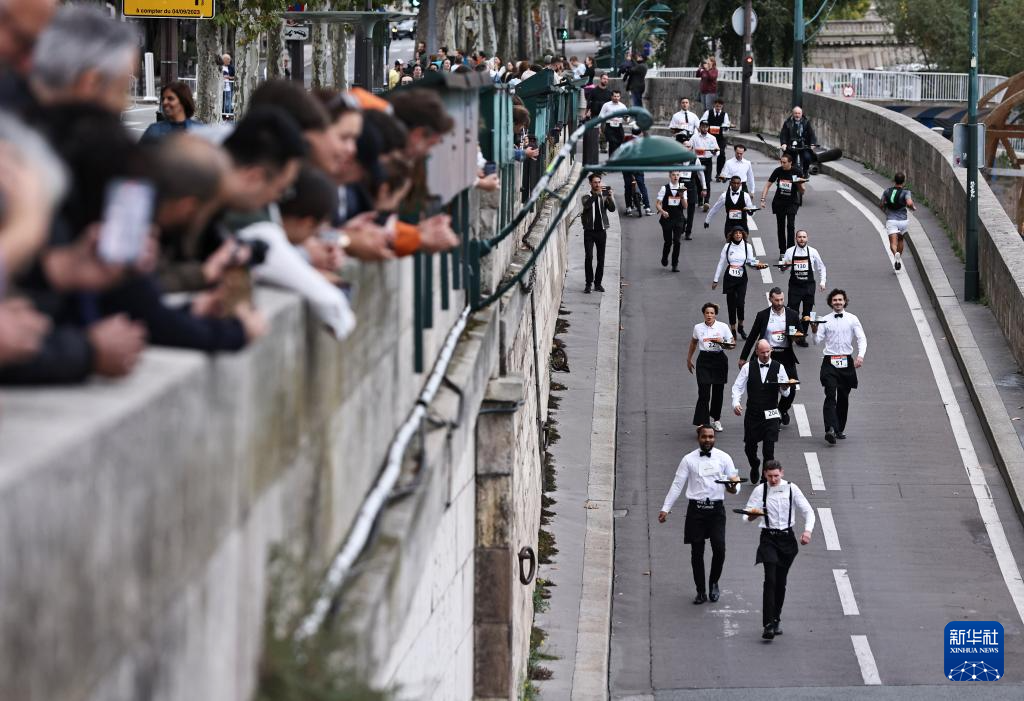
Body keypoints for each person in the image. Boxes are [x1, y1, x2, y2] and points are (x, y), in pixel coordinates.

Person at [658, 424, 741, 604]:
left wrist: (733, 487)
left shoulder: (724, 458)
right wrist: (666, 508)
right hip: (696, 510)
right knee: (697, 552)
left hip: (716, 510)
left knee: (719, 549)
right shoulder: (688, 460)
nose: (708, 440)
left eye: (711, 437)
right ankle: (700, 590)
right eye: (704, 437)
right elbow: (677, 484)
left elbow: (735, 483)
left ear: (714, 438)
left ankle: (713, 583)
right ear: (698, 438)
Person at [742, 461, 815, 640]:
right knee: (770, 580)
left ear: (782, 473)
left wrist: (807, 531)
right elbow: (746, 516)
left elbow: (808, 511)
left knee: (781, 582)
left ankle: (776, 619)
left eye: (776, 475)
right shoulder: (760, 490)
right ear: (765, 475)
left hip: (787, 539)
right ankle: (767, 624)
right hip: (768, 538)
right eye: (769, 476)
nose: (773, 479)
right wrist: (752, 515)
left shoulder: (792, 489)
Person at [809, 288, 866, 444]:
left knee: (843, 397)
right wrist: (814, 330)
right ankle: (830, 429)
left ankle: (839, 428)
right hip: (830, 361)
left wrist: (860, 356)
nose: (837, 302)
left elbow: (862, 338)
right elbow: (816, 341)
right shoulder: (824, 319)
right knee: (830, 394)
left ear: (845, 301)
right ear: (830, 302)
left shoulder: (853, 319)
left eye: (840, 300)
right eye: (835, 300)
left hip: (846, 361)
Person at [738, 288, 802, 426]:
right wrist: (743, 357)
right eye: (776, 300)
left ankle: (782, 410)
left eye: (781, 300)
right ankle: (772, 416)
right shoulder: (763, 315)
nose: (779, 302)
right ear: (770, 299)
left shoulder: (792, 314)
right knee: (766, 387)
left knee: (791, 386)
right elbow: (752, 337)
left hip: (785, 354)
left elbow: (800, 334)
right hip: (767, 355)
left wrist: (796, 338)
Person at [732, 339, 791, 484]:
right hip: (753, 413)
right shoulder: (748, 367)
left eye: (768, 351)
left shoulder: (779, 367)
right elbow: (738, 386)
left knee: (769, 449)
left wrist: (784, 387)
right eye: (762, 352)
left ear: (771, 350)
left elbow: (786, 393)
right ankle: (755, 464)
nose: (765, 354)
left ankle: (765, 479)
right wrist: (736, 403)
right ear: (757, 352)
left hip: (771, 414)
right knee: (749, 447)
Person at [687, 302, 734, 431]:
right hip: (704, 361)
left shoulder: (723, 327)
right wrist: (689, 358)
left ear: (715, 315)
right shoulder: (698, 328)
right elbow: (693, 342)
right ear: (703, 314)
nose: (709, 315)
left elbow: (732, 345)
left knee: (718, 393)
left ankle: (716, 419)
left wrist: (722, 343)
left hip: (719, 360)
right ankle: (703, 422)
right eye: (707, 313)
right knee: (704, 393)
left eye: (712, 313)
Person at [712, 225, 762, 340]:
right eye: (736, 233)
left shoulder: (747, 246)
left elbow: (750, 262)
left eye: (740, 233)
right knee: (731, 304)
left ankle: (741, 326)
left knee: (740, 303)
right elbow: (721, 263)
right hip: (729, 277)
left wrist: (757, 267)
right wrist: (715, 279)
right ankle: (733, 329)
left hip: (741, 277)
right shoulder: (727, 246)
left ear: (743, 234)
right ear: (732, 235)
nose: (738, 235)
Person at [779, 229, 826, 346]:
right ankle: (792, 335)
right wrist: (785, 266)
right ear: (796, 238)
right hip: (795, 286)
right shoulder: (789, 251)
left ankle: (802, 337)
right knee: (792, 312)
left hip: (809, 286)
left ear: (807, 238)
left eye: (804, 237)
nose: (802, 239)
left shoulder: (813, 252)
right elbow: (781, 269)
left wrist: (822, 282)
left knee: (807, 313)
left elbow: (821, 267)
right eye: (799, 237)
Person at [760, 152, 805, 262]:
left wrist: (798, 183)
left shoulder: (797, 172)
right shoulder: (778, 171)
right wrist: (763, 199)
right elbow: (768, 185)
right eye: (781, 162)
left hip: (792, 202)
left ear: (790, 162)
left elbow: (803, 190)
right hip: (779, 202)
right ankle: (782, 251)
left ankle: (790, 250)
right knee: (780, 227)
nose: (782, 164)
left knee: (790, 226)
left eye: (784, 162)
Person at [580, 173, 615, 293]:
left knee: (601, 258)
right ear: (590, 183)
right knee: (589, 257)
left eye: (599, 182)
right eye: (595, 182)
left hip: (601, 232)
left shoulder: (604, 195)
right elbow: (587, 205)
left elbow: (612, 209)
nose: (597, 184)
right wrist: (597, 194)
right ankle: (588, 283)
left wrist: (610, 197)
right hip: (589, 232)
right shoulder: (586, 196)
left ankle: (598, 283)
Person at [879, 172, 916, 271]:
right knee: (900, 240)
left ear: (894, 180)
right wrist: (912, 207)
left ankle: (896, 254)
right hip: (903, 221)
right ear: (903, 181)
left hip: (891, 220)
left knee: (893, 243)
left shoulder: (887, 191)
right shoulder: (906, 192)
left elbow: (881, 204)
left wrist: (885, 210)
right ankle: (898, 260)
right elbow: (909, 202)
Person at [654, 170, 687, 271]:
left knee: (677, 241)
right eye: (673, 175)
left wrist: (681, 196)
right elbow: (657, 204)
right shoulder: (664, 188)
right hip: (667, 218)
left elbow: (685, 206)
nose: (676, 177)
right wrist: (663, 211)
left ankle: (674, 264)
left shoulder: (682, 187)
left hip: (679, 218)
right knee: (668, 242)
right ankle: (664, 257)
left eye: (677, 175)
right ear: (669, 176)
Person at [779, 106, 816, 176]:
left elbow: (811, 134)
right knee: (788, 160)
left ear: (801, 114)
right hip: (791, 145)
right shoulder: (787, 122)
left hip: (803, 145)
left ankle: (805, 171)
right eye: (795, 113)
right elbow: (783, 134)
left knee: (807, 158)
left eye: (799, 113)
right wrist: (783, 143)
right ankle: (788, 173)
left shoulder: (806, 122)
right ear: (793, 114)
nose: (797, 115)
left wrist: (812, 144)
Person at [690, 121, 719, 209]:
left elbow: (717, 150)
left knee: (707, 180)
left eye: (706, 127)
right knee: (698, 181)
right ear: (700, 127)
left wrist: (715, 151)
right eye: (703, 126)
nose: (704, 128)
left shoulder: (712, 138)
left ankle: (706, 201)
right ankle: (700, 200)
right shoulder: (694, 137)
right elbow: (689, 146)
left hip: (707, 161)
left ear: (708, 128)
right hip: (698, 161)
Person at [701, 98, 731, 179]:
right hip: (709, 137)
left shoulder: (725, 115)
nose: (718, 108)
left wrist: (726, 127)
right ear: (714, 105)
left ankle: (719, 173)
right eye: (717, 106)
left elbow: (726, 125)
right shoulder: (708, 112)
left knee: (721, 154)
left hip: (720, 138)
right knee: (707, 155)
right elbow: (702, 121)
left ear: (722, 106)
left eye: (720, 106)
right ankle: (707, 174)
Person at [598, 89, 628, 157]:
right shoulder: (606, 105)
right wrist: (599, 127)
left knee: (619, 143)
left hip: (619, 127)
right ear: (611, 97)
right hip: (609, 126)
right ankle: (611, 159)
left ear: (620, 97)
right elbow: (601, 116)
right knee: (612, 143)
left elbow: (627, 117)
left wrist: (626, 119)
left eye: (618, 96)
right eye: (614, 96)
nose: (616, 98)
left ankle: (616, 159)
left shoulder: (623, 106)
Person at [221, 53, 235, 117]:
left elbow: (235, 77)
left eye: (229, 59)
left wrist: (229, 77)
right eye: (228, 59)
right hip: (220, 88)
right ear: (223, 60)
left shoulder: (231, 67)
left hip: (228, 87)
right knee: (221, 101)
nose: (229, 61)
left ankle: (227, 115)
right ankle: (221, 114)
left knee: (227, 102)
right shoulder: (219, 66)